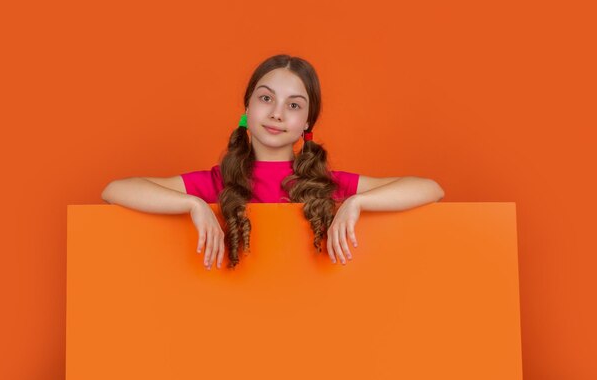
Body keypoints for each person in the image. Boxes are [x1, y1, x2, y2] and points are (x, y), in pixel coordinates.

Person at [102, 54, 445, 271]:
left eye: (293, 105)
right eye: (266, 98)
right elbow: (115, 190)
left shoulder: (326, 185)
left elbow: (431, 189)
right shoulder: (219, 183)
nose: (277, 113)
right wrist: (192, 204)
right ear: (247, 108)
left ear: (308, 122)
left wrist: (358, 201)